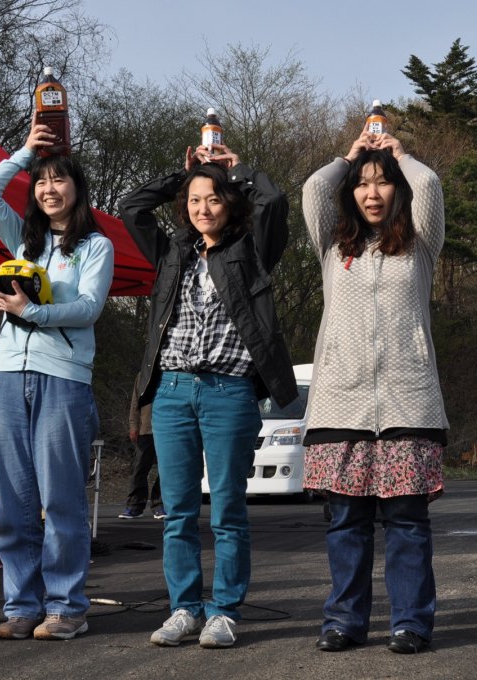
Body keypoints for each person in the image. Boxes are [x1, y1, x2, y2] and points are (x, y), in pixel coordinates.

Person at [119, 141, 297, 649]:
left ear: (230, 203)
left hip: (229, 391)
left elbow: (274, 201)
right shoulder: (171, 252)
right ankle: (184, 609)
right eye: (195, 200)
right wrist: (188, 175)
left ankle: (224, 612)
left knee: (227, 510)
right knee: (177, 512)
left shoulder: (251, 251)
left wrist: (234, 170)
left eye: (213, 199)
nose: (203, 208)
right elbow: (132, 206)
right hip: (172, 391)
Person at [301, 129, 447, 655]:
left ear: (396, 189)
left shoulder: (421, 246)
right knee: (347, 523)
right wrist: (350, 156)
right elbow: (314, 189)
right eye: (363, 183)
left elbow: (428, 187)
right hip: (340, 401)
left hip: (410, 400)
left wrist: (400, 155)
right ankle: (344, 621)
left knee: (408, 522)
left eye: (382, 182)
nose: (372, 192)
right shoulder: (332, 246)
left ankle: (411, 623)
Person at [0, 115, 114, 641]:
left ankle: (67, 608)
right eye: (41, 181)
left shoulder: (95, 246)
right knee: (13, 501)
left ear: (78, 188)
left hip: (64, 379)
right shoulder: (23, 239)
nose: (49, 189)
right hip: (8, 376)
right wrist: (25, 153)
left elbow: (89, 308)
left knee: (60, 500)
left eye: (59, 179)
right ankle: (22, 607)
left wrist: (30, 312)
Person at [118, 379, 164, 519]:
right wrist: (133, 425)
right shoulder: (143, 374)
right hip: (146, 428)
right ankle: (135, 506)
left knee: (166, 469)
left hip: (168, 428)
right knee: (139, 468)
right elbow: (135, 402)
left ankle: (160, 505)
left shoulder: (173, 370)